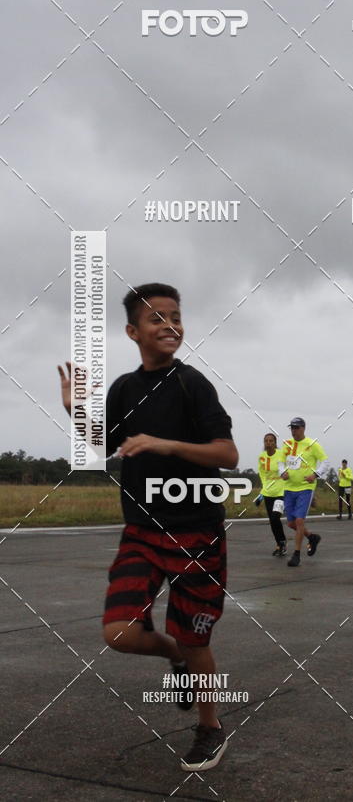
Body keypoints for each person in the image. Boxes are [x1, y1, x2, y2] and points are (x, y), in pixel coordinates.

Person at [59, 283, 238, 772]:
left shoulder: (191, 384)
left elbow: (227, 454)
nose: (169, 324)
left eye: (176, 316)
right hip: (141, 529)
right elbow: (103, 447)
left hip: (197, 533)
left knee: (196, 640)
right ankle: (173, 656)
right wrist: (76, 410)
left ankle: (210, 728)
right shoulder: (124, 388)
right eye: (157, 318)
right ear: (132, 331)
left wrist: (165, 444)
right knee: (119, 633)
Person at [280, 417, 328, 567]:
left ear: (303, 428)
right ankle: (312, 537)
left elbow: (325, 461)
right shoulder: (287, 444)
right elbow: (280, 462)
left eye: (296, 428)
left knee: (300, 521)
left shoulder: (312, 444)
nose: (293, 431)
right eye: (292, 428)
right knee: (291, 523)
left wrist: (315, 474)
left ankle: (296, 555)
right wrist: (282, 472)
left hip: (305, 488)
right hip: (289, 488)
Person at [257, 433, 287, 556]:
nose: (268, 443)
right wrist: (263, 491)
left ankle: (283, 542)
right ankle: (279, 544)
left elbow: (289, 469)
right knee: (272, 521)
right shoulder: (262, 457)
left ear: (275, 443)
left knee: (275, 517)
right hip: (268, 493)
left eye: (271, 441)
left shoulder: (281, 454)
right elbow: (262, 474)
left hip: (281, 492)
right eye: (266, 441)